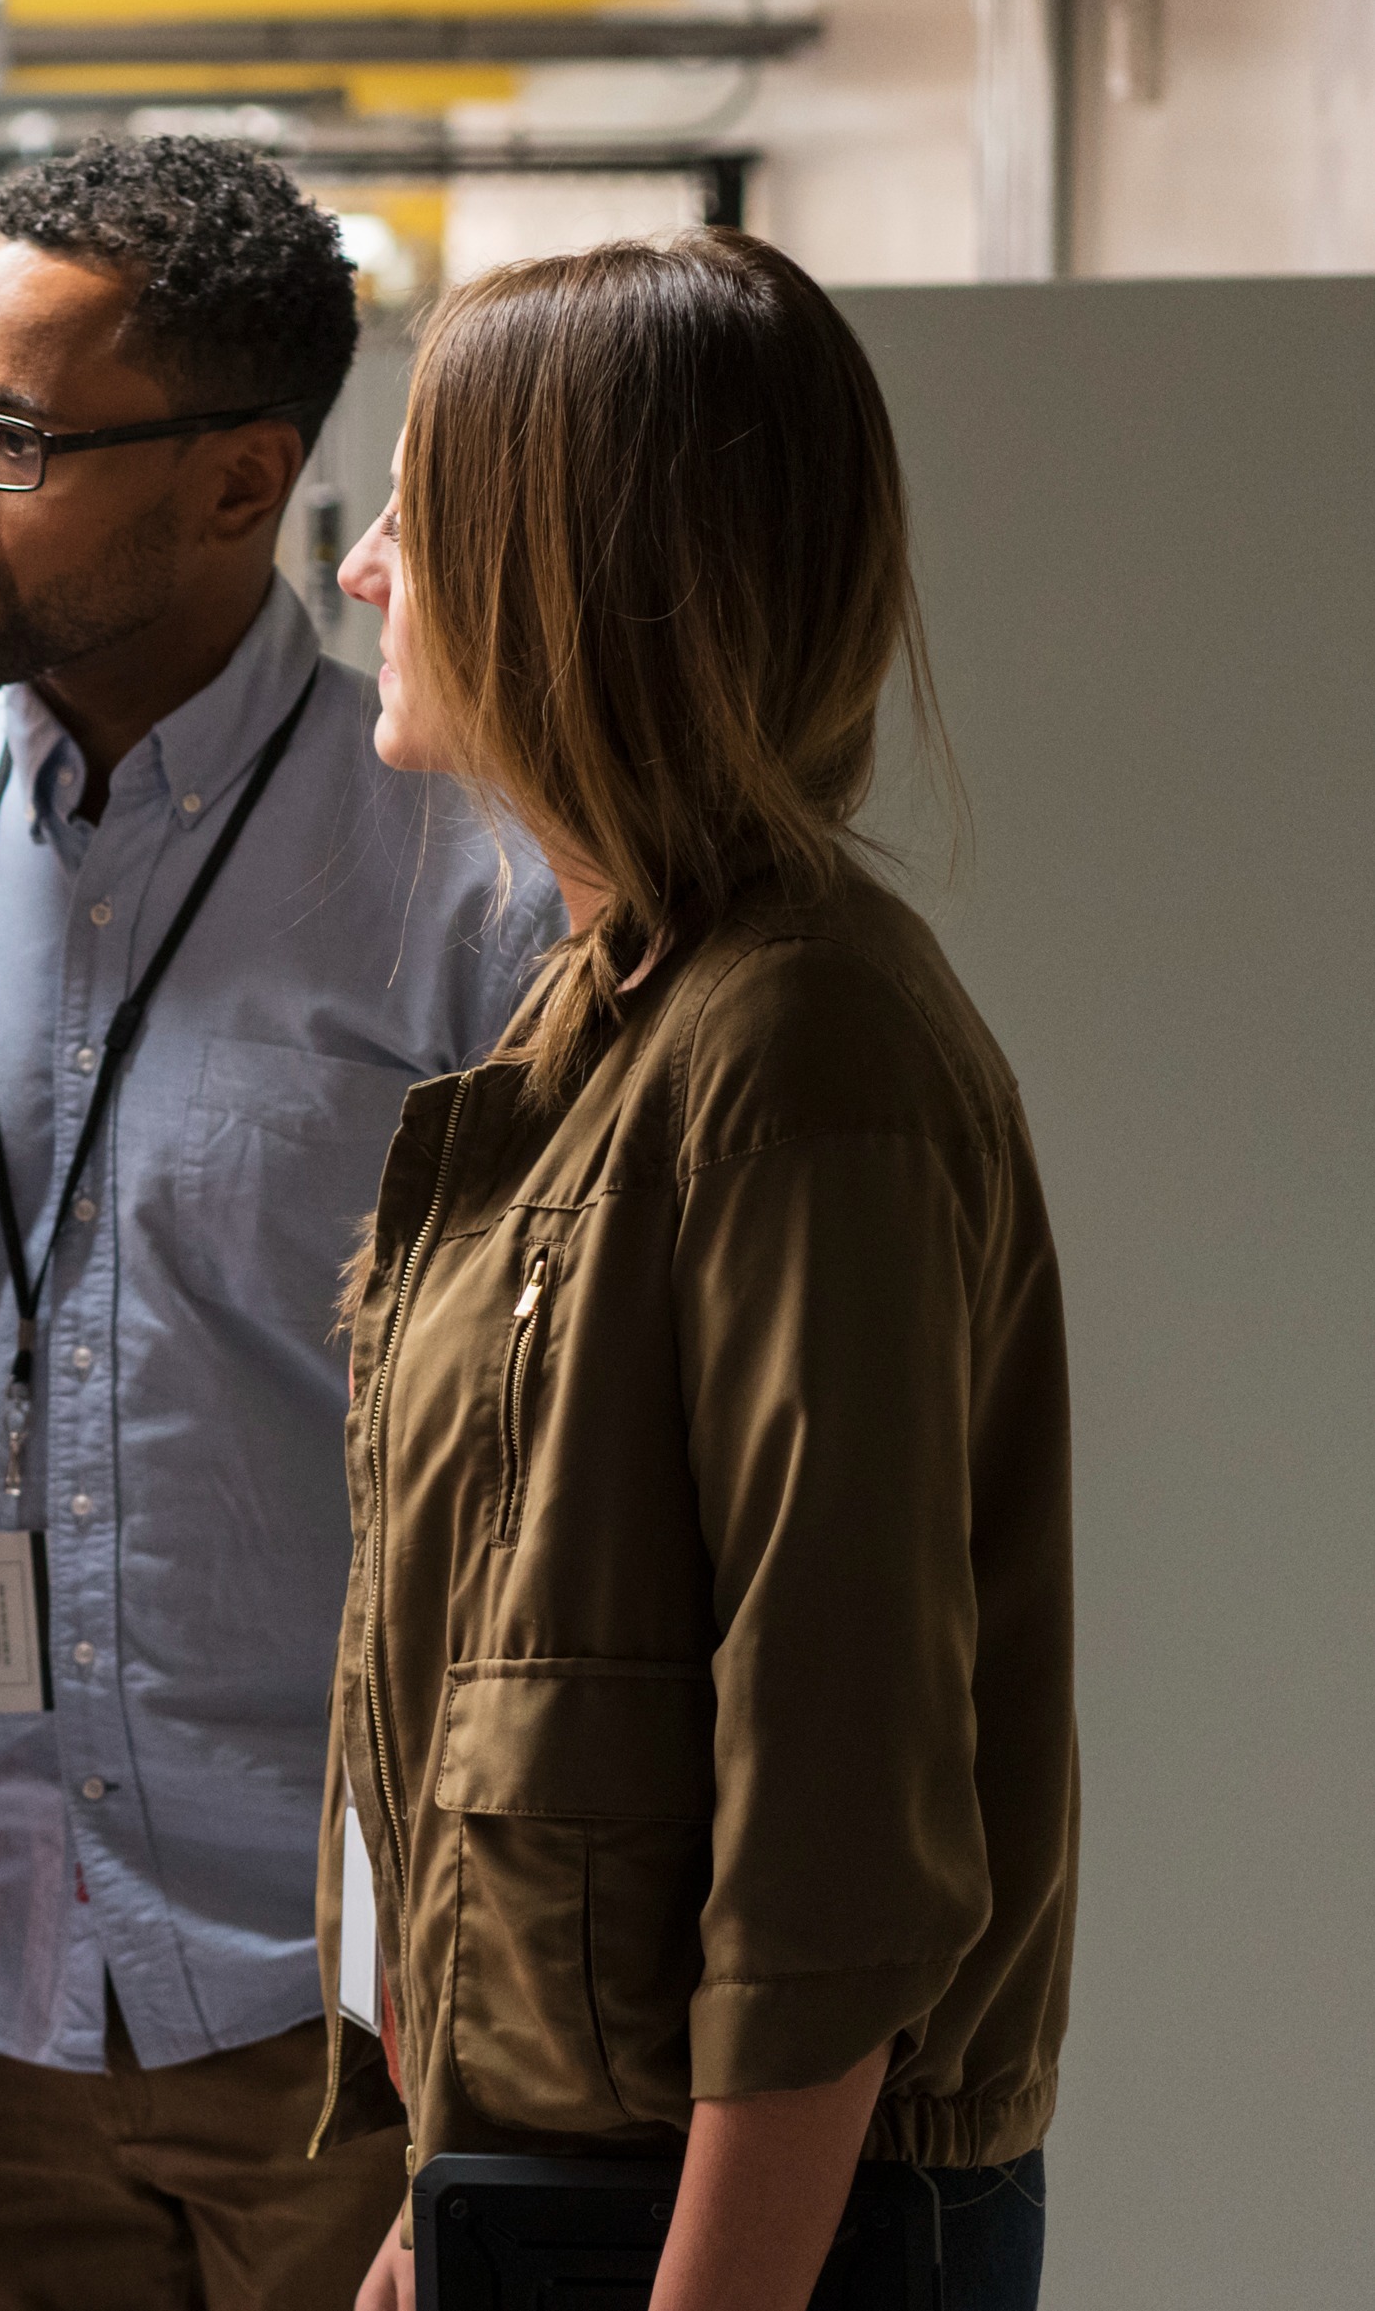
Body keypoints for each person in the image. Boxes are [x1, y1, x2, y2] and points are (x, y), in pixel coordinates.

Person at [0, 138, 557, 2311]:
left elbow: (562, 1509)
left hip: (358, 2020)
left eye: (7, 440)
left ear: (233, 478)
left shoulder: (474, 894)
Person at [325, 228, 1067, 2311]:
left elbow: (832, 1827)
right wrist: (430, 2192)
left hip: (749, 2238)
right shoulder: (616, 1021)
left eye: (413, 515)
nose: (366, 572)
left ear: (562, 570)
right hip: (564, 2191)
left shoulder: (794, 1050)